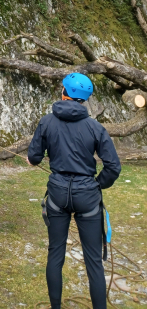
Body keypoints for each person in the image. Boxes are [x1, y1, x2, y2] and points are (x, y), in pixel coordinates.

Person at [27, 73, 121, 309]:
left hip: (58, 193)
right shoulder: (95, 127)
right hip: (87, 196)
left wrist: (38, 158)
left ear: (64, 92)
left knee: (55, 255)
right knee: (94, 262)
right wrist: (97, 184)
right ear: (84, 99)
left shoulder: (46, 122)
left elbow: (34, 157)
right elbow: (113, 166)